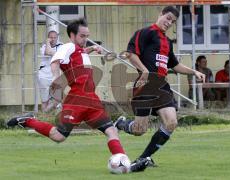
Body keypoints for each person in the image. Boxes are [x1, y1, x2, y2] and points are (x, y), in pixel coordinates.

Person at [7, 18, 148, 172]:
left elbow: (78, 55)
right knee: (59, 136)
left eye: (87, 36)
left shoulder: (78, 50)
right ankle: (27, 121)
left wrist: (92, 49)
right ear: (72, 35)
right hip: (77, 101)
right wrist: (55, 79)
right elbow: (55, 61)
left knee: (111, 130)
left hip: (92, 101)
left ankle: (124, 164)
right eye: (82, 36)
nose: (85, 39)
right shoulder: (67, 46)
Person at [114, 6, 205, 167]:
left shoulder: (167, 42)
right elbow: (130, 53)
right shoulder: (146, 32)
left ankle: (144, 158)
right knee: (139, 130)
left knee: (171, 123)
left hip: (162, 86)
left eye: (173, 21)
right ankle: (121, 123)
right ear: (161, 14)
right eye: (168, 18)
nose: (169, 23)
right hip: (145, 85)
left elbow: (175, 65)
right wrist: (145, 71)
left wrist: (194, 72)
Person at [38, 30, 63, 112]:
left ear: (57, 38)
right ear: (48, 38)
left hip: (56, 77)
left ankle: (45, 113)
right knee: (45, 100)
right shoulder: (44, 46)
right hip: (44, 76)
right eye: (51, 37)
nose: (53, 39)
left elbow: (55, 54)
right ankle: (45, 118)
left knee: (57, 99)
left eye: (55, 37)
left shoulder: (61, 46)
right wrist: (47, 42)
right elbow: (47, 52)